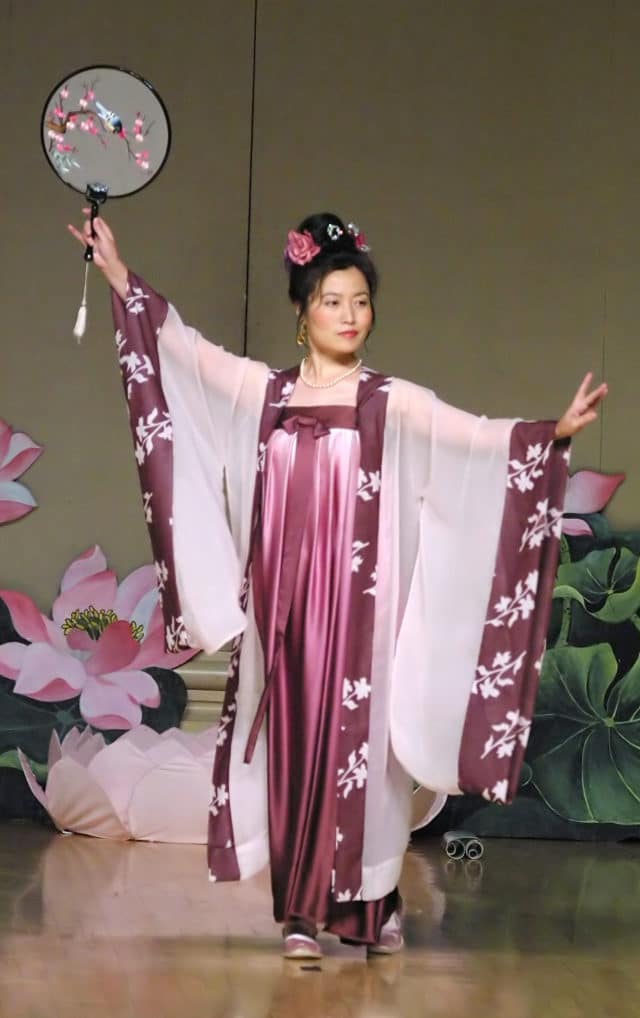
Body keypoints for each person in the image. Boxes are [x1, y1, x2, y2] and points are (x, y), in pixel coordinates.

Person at [68, 210, 607, 959]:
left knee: (364, 751)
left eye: (359, 300)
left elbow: (476, 438)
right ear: (302, 312)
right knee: (293, 745)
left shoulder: (393, 401)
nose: (349, 315)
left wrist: (552, 434)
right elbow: (181, 351)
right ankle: (299, 912)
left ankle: (370, 905)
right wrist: (117, 273)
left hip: (364, 610)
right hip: (286, 611)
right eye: (331, 301)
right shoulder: (266, 395)